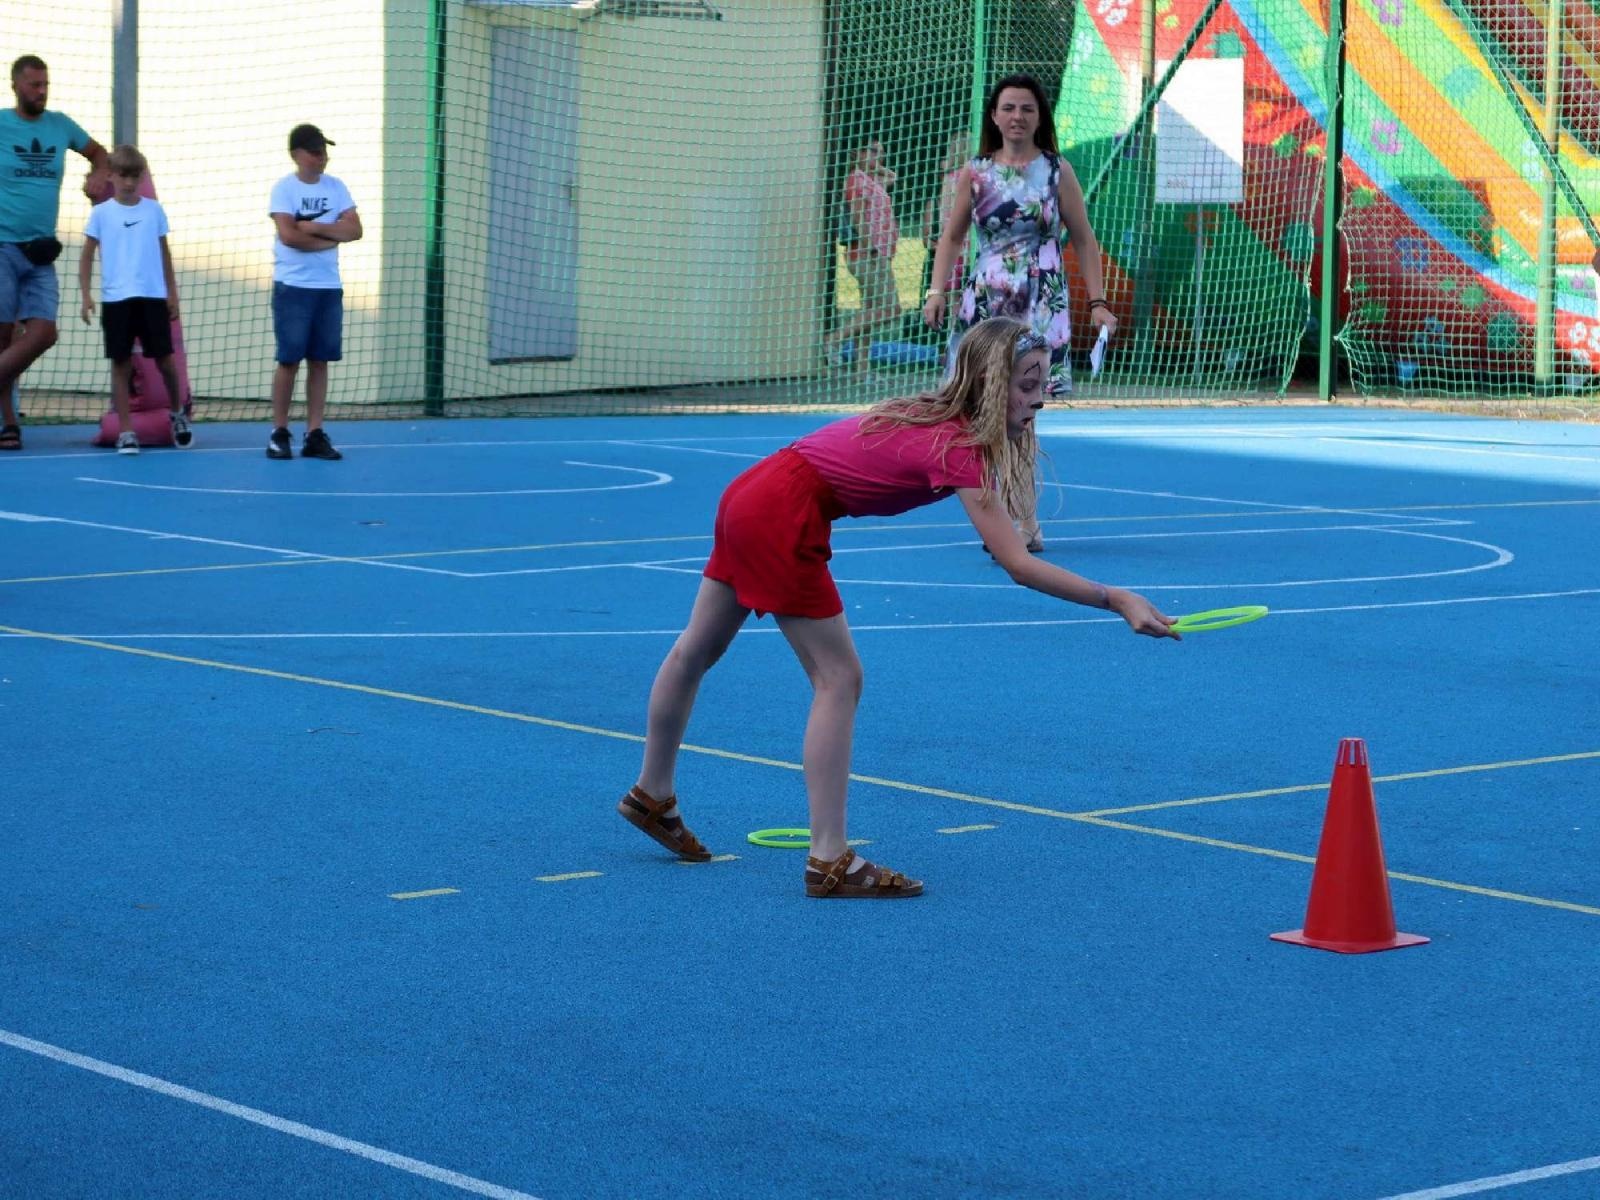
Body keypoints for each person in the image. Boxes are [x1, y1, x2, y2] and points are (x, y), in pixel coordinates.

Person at [616, 316, 1178, 898]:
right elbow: (1018, 564)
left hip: (754, 490)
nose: (1040, 400)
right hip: (781, 510)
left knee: (696, 651)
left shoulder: (931, 413)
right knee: (839, 677)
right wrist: (1113, 598)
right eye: (1027, 385)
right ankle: (829, 858)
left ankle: (652, 793)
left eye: (1043, 386)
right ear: (989, 383)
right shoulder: (959, 445)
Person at [923, 74, 1118, 551]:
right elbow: (951, 238)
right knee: (981, 412)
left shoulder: (1056, 171)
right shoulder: (976, 173)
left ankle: (1025, 520)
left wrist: (1098, 302)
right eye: (1008, 108)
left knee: (1024, 411)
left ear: (1039, 117)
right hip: (987, 300)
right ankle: (999, 520)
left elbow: (1085, 238)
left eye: (1027, 109)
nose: (1017, 117)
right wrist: (935, 290)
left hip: (1040, 299)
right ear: (994, 115)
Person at [0, 55, 110, 451]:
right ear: (16, 86)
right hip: (2, 245)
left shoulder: (60, 125)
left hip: (40, 251)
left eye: (45, 84)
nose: (41, 91)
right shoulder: (1, 123)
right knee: (3, 338)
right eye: (34, 85)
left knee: (43, 333)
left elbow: (100, 154)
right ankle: (8, 425)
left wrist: (97, 175)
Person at [78, 145, 191, 454]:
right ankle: (126, 431)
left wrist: (172, 293)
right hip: (117, 300)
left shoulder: (153, 210)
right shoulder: (101, 213)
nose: (128, 182)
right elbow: (87, 254)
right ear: (111, 176)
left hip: (152, 296)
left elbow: (164, 252)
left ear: (141, 177)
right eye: (122, 176)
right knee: (121, 363)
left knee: (165, 361)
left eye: (134, 176)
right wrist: (86, 294)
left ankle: (178, 413)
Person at [267, 123, 360, 461]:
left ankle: (314, 432)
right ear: (297, 154)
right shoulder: (284, 190)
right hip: (294, 287)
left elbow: (354, 229)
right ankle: (279, 432)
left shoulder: (337, 188)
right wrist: (330, 237)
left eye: (324, 151)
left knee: (320, 361)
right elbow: (289, 236)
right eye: (315, 151)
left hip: (327, 287)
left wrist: (318, 228)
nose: (323, 157)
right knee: (289, 360)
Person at [824, 135, 900, 384]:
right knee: (890, 309)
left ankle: (862, 370)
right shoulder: (856, 181)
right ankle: (835, 339)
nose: (878, 156)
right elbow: (858, 217)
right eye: (872, 151)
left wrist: (875, 164)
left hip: (879, 252)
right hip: (866, 253)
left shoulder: (872, 180)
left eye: (881, 152)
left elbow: (892, 177)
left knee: (869, 311)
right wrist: (870, 248)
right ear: (857, 154)